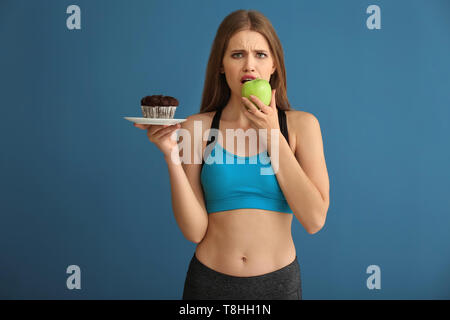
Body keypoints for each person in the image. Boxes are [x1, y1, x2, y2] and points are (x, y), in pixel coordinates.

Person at [134, 9, 330, 300]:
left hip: (278, 285)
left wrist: (272, 134)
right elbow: (194, 231)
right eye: (237, 54)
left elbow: (314, 220)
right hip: (208, 284)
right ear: (221, 66)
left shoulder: (302, 126)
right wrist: (171, 155)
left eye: (261, 55)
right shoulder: (197, 127)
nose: (249, 65)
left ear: (274, 65)